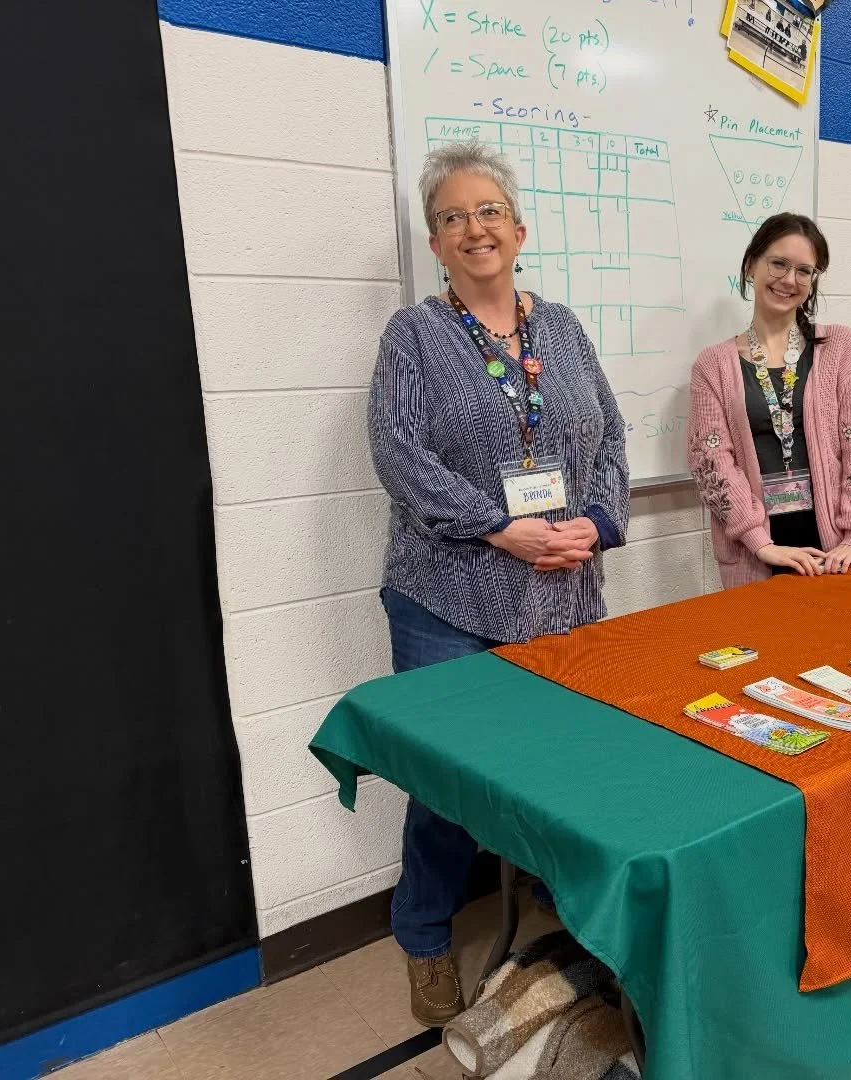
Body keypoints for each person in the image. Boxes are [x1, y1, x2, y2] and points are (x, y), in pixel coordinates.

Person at [368, 142, 630, 1026]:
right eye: (452, 217)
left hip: (561, 590)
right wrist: (496, 525)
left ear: (519, 230)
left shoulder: (564, 328)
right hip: (448, 594)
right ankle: (423, 935)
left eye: (488, 212)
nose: (473, 228)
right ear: (435, 244)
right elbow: (397, 452)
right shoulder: (413, 335)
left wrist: (598, 523)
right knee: (448, 784)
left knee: (560, 768)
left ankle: (557, 908)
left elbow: (612, 437)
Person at [687, 213, 851, 587]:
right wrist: (760, 542)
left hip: (834, 553)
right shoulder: (713, 365)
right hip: (758, 555)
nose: (789, 280)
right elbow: (710, 462)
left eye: (804, 271)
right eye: (778, 263)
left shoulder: (841, 347)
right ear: (752, 265)